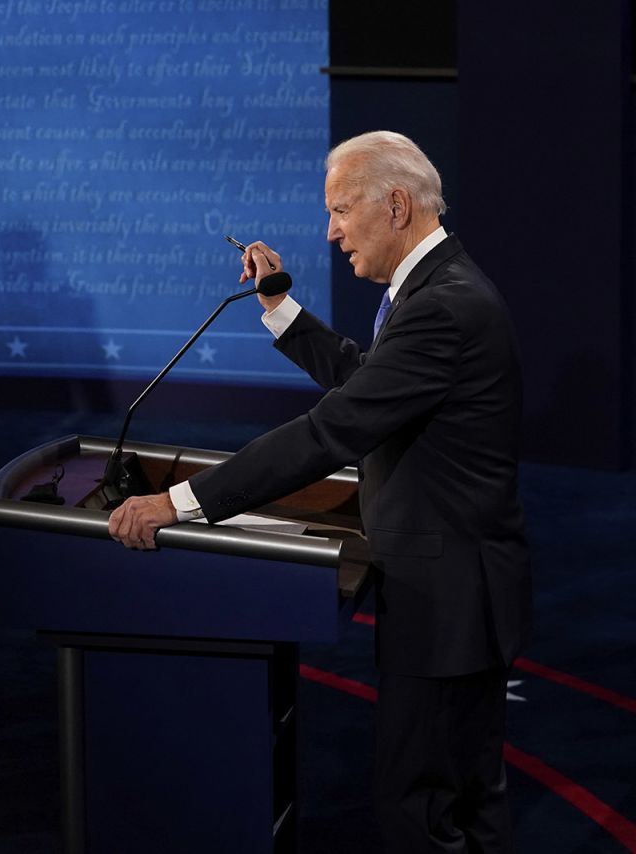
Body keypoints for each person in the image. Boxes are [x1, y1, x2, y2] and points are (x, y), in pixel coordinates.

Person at [108, 130, 532, 853]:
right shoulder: (439, 289)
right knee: (461, 799)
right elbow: (369, 382)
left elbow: (332, 430)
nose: (330, 232)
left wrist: (179, 503)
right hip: (458, 592)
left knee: (424, 812)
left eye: (340, 210)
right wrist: (279, 304)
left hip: (448, 601)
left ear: (396, 204)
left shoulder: (441, 306)